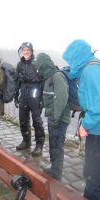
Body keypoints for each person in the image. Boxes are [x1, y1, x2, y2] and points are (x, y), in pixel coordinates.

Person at [63, 39, 100, 200]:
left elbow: (97, 107)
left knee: (93, 175)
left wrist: (85, 125)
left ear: (78, 56)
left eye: (71, 60)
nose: (70, 64)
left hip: (97, 132)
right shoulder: (93, 67)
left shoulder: (90, 72)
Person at [36, 53, 70, 180]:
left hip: (60, 119)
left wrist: (55, 117)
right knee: (53, 143)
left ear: (44, 65)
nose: (37, 69)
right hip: (53, 117)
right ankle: (54, 168)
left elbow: (62, 98)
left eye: (38, 66)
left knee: (57, 145)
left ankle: (57, 173)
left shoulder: (57, 76)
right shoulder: (48, 77)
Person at [14, 42, 45, 156]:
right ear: (21, 51)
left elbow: (43, 81)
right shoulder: (19, 64)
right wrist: (15, 95)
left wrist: (42, 99)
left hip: (35, 94)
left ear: (31, 51)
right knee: (23, 119)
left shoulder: (37, 63)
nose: (26, 52)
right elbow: (17, 81)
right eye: (24, 50)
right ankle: (26, 141)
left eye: (28, 50)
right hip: (24, 94)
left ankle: (39, 145)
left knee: (37, 121)